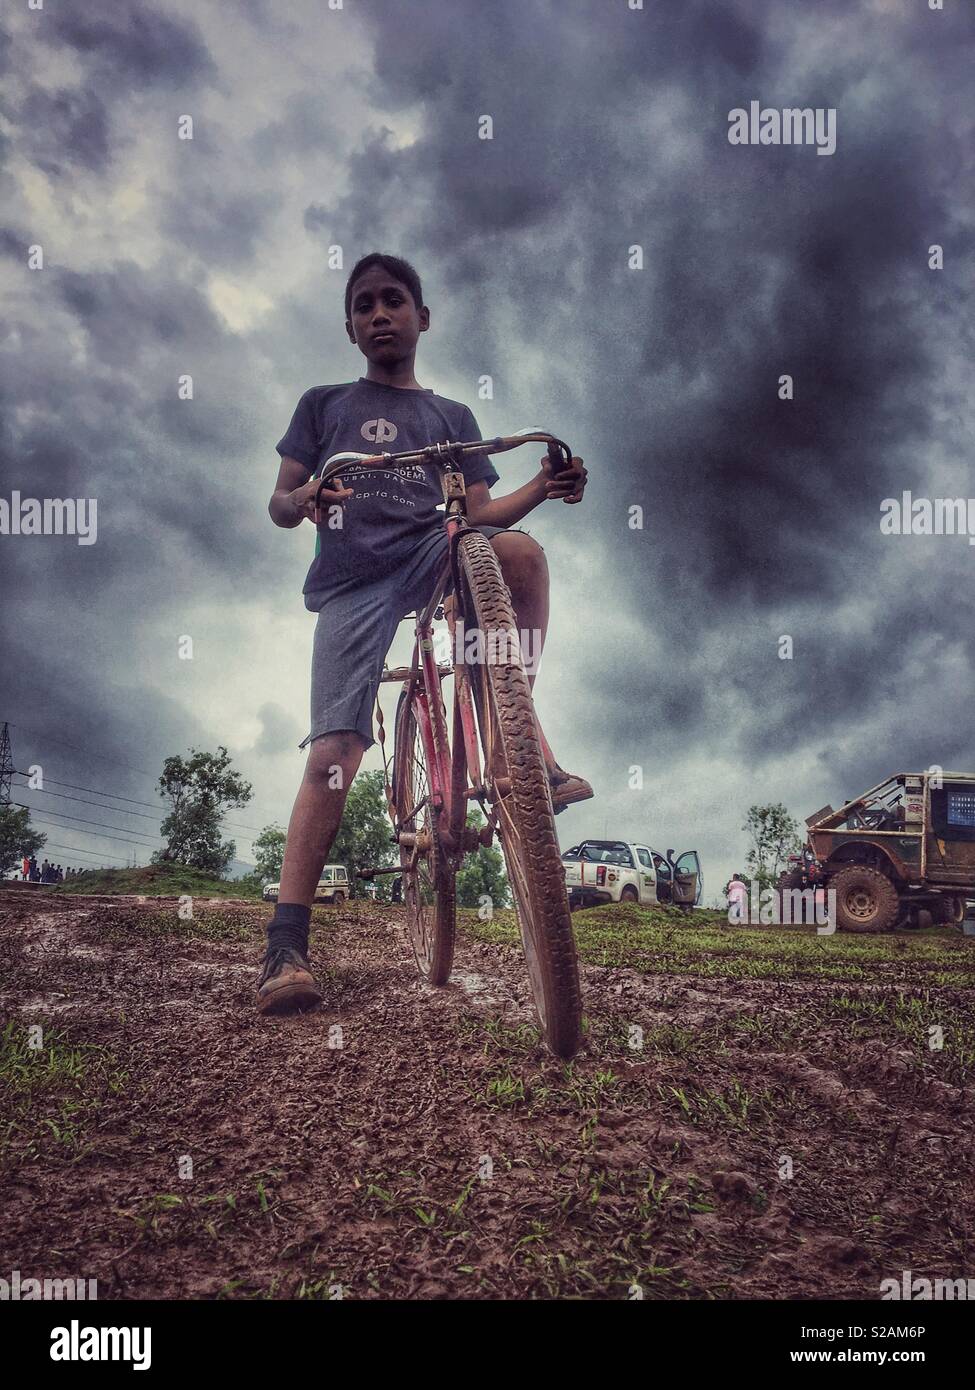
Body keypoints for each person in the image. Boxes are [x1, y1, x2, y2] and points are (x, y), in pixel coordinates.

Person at [257, 253, 594, 1016]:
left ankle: (513, 732)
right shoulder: (323, 404)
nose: (380, 314)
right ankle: (285, 945)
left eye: (394, 301)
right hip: (353, 580)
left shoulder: (451, 418)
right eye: (365, 305)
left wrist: (542, 485)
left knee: (520, 557)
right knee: (333, 756)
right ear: (350, 327)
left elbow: (478, 511)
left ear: (422, 317)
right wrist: (304, 496)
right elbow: (277, 503)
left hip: (433, 550)